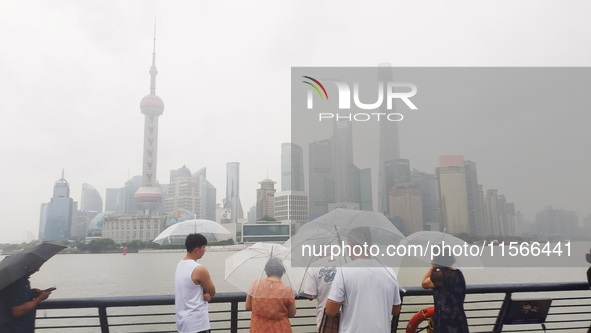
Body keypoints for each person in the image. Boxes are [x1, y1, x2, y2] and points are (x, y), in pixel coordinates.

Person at [325, 228, 402, 333]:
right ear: (370, 245)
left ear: (350, 244)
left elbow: (330, 311)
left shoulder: (344, 271)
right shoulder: (389, 272)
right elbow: (396, 310)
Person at [175, 233, 216, 333]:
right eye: (204, 247)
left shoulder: (179, 265)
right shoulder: (199, 269)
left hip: (183, 322)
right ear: (197, 250)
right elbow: (212, 291)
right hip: (198, 324)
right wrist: (207, 293)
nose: (205, 250)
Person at [421, 249, 469, 333]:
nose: (432, 259)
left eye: (434, 257)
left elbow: (424, 284)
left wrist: (432, 268)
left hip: (445, 320)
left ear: (439, 260)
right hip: (459, 316)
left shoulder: (441, 275)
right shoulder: (458, 273)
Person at [245, 257, 296, 333]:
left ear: (266, 270)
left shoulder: (256, 284)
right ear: (282, 271)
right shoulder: (287, 290)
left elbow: (248, 307)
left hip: (258, 328)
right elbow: (292, 313)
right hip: (280, 329)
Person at [0, 265, 52, 332]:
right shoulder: (18, 283)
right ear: (26, 266)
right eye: (36, 266)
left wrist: (31, 293)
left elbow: (12, 297)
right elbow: (18, 311)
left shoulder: (12, 281)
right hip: (16, 328)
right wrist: (39, 298)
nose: (37, 269)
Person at [302, 258, 337, 330]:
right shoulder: (348, 264)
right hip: (346, 317)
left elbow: (310, 295)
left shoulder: (314, 266)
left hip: (324, 316)